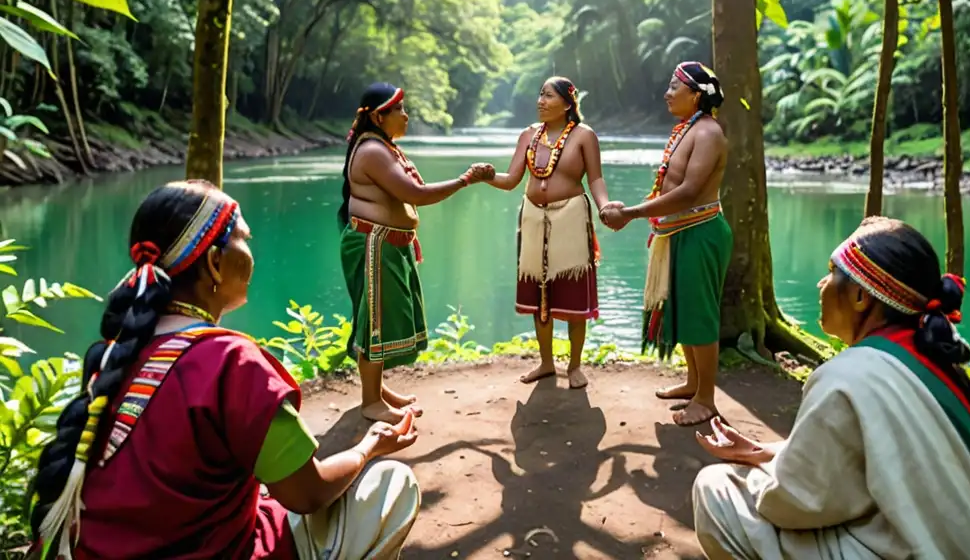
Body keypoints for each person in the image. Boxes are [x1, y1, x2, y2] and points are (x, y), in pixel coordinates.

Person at [28, 180, 421, 560]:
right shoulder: (231, 363)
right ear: (215, 263)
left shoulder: (116, 354)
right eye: (244, 240)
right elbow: (308, 493)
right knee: (392, 486)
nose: (251, 251)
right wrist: (370, 446)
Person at [691, 216, 970, 560]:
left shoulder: (846, 376)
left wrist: (763, 476)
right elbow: (885, 457)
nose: (821, 283)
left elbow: (794, 503)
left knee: (718, 491)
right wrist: (765, 453)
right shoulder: (936, 359)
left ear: (861, 296)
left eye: (831, 272)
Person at [339, 82, 493, 423]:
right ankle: (370, 401)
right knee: (373, 321)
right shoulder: (374, 152)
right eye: (400, 111)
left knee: (382, 317)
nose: (406, 116)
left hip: (389, 243)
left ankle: (377, 389)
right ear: (380, 117)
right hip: (374, 243)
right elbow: (415, 193)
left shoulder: (383, 146)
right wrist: (466, 180)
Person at [601, 61, 731, 426]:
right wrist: (635, 211)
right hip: (677, 232)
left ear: (696, 95)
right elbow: (668, 185)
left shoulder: (708, 133)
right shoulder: (686, 129)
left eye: (675, 87)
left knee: (700, 315)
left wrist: (632, 213)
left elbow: (689, 192)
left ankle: (706, 399)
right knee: (683, 310)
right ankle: (693, 382)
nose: (667, 93)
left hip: (700, 231)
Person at [486, 76, 610, 390]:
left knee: (572, 290)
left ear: (568, 104)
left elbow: (595, 179)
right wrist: (486, 177)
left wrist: (605, 206)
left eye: (549, 96)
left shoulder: (584, 136)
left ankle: (575, 366)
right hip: (532, 218)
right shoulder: (529, 134)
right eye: (540, 95)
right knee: (539, 291)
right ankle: (545, 362)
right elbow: (511, 178)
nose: (541, 101)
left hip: (570, 217)